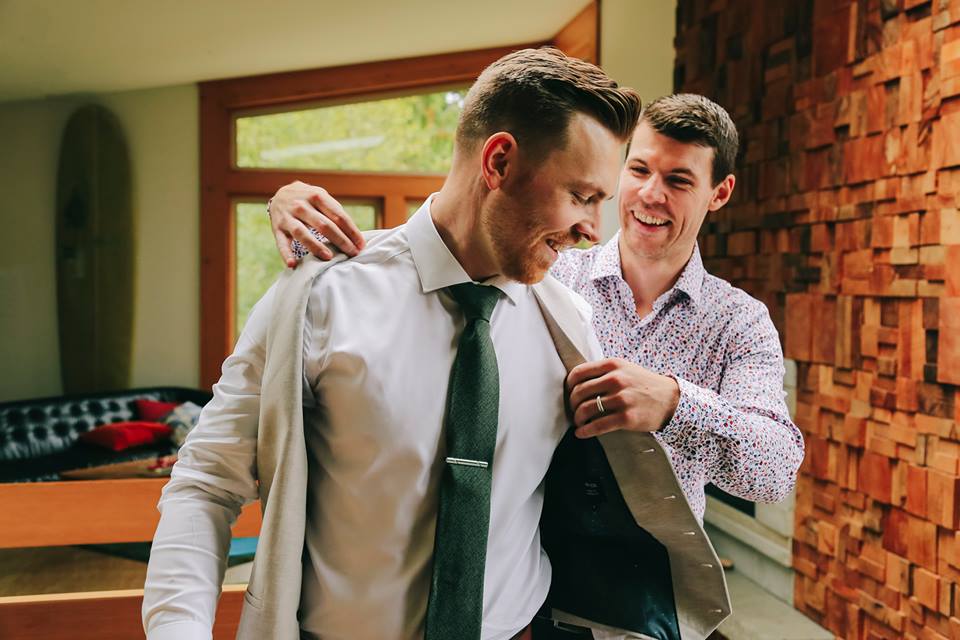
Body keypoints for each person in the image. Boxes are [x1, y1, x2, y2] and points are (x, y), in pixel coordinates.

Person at [143, 47, 651, 640]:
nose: (594, 230)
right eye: (582, 197)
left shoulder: (570, 326)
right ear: (500, 161)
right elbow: (206, 483)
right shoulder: (318, 298)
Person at [267, 93, 806, 523]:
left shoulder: (739, 322)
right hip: (529, 595)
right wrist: (295, 208)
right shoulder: (547, 269)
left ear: (720, 193)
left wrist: (673, 403)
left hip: (646, 608)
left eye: (679, 180)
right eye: (638, 170)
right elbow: (461, 228)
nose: (649, 194)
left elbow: (775, 471)